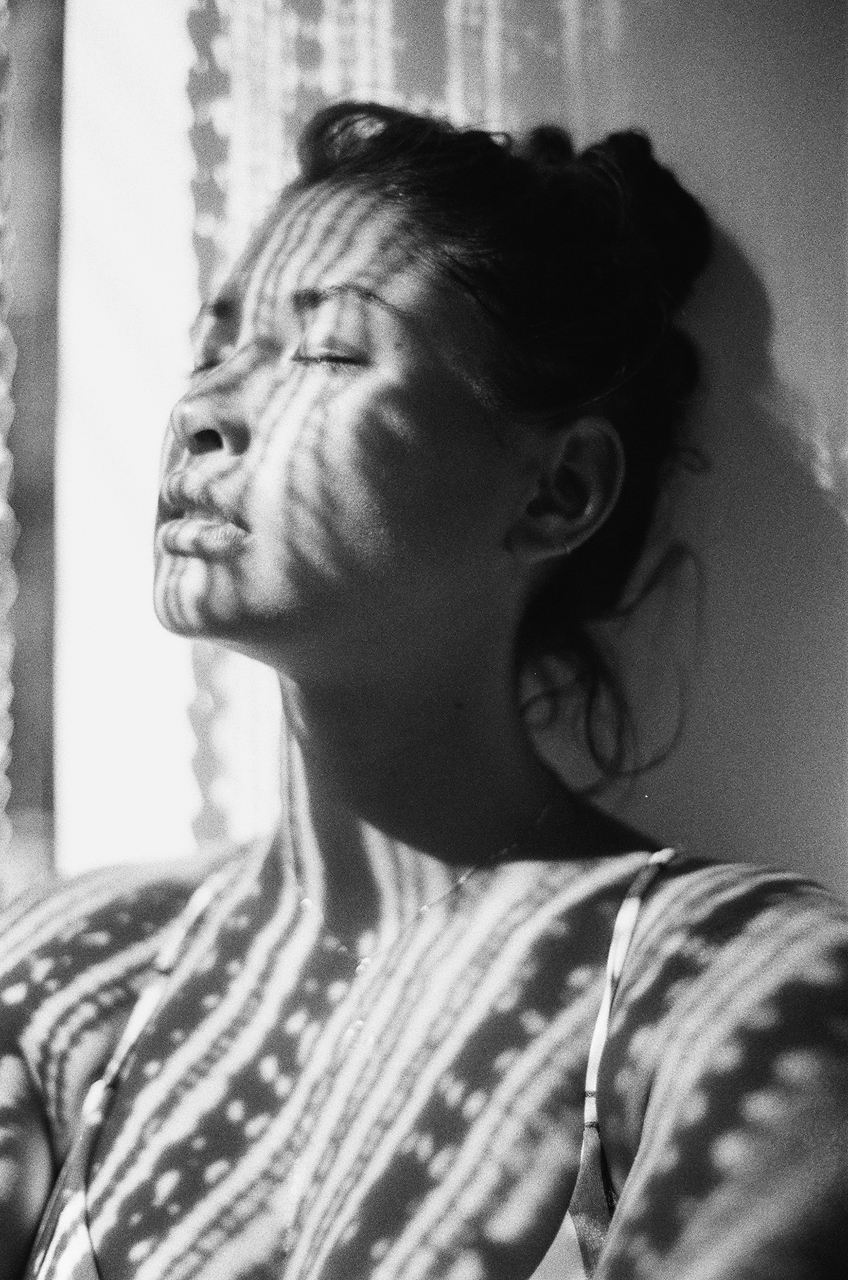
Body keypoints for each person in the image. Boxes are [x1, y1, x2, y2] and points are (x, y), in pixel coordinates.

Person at [1, 102, 846, 1280]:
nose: (203, 412)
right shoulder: (76, 971)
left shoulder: (726, 986)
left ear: (556, 489)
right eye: (211, 348)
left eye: (326, 353)